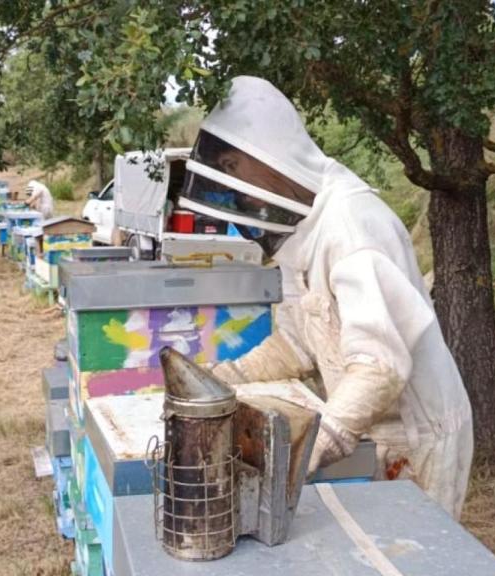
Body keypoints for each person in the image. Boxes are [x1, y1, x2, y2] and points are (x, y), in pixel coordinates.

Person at [180, 76, 474, 519]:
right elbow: (299, 339)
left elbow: (381, 367)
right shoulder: (302, 227)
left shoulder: (353, 228)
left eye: (232, 165)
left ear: (266, 150)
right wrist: (225, 379)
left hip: (417, 434)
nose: (234, 186)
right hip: (371, 428)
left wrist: (315, 445)